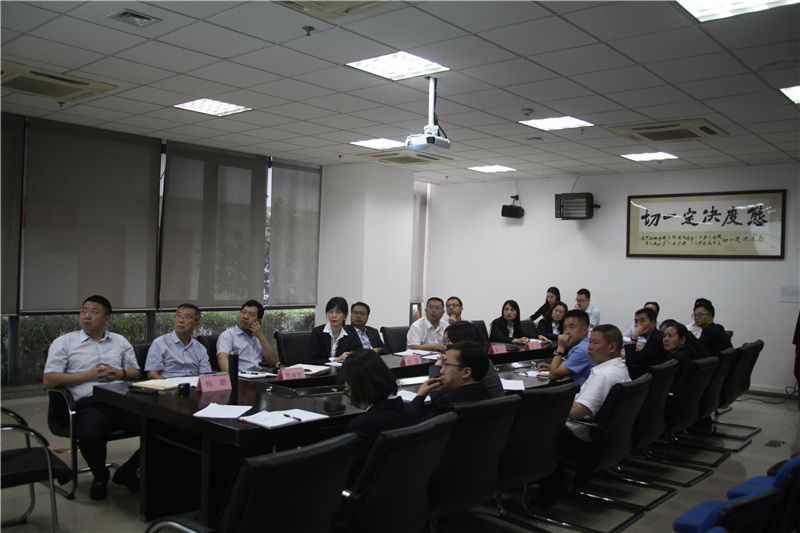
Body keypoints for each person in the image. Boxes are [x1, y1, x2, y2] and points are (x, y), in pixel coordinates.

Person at [43, 295, 141, 500]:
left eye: (93, 312)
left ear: (107, 319)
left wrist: (119, 374)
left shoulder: (119, 341)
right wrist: (87, 376)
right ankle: (100, 476)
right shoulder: (64, 342)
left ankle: (128, 470)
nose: (86, 316)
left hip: (122, 401)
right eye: (83, 311)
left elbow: (135, 373)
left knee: (162, 427)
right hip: (90, 404)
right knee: (90, 434)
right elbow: (49, 380)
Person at [530, 325, 630, 509]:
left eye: (595, 343)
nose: (589, 347)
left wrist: (548, 407)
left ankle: (543, 483)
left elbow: (576, 412)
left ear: (612, 347)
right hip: (606, 441)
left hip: (578, 439)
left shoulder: (604, 376)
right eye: (589, 342)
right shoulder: (620, 369)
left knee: (527, 427)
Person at [339, 349, 418, 481]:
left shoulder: (362, 425)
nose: (350, 394)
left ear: (362, 388)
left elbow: (348, 476)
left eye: (349, 389)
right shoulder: (410, 410)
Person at [412, 340, 491, 421]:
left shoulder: (446, 402)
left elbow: (419, 426)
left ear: (466, 372)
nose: (441, 371)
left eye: (446, 364)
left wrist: (420, 397)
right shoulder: (486, 393)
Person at [428, 321, 504, 399]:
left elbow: (435, 394)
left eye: (449, 341)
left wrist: (437, 365)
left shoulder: (468, 363)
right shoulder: (480, 358)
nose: (445, 347)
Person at [145, 303, 211, 379]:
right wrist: (169, 384)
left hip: (194, 384)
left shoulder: (200, 348)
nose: (180, 321)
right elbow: (152, 374)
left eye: (186, 317)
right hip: (169, 383)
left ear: (196, 324)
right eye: (178, 316)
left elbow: (206, 375)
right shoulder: (160, 343)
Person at [537, 309, 596, 385]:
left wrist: (560, 348)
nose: (567, 332)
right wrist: (553, 367)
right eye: (565, 327)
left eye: (571, 327)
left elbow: (553, 375)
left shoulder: (582, 350)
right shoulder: (586, 344)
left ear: (585, 330)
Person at [217, 300, 278, 372]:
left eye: (251, 314)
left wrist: (261, 337)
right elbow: (222, 360)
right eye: (243, 312)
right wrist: (234, 376)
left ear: (258, 321)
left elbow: (272, 362)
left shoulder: (258, 337)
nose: (245, 317)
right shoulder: (228, 335)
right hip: (240, 375)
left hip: (259, 374)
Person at [308, 296, 363, 365]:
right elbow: (312, 360)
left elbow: (358, 358)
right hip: (321, 371)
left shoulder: (350, 336)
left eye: (338, 312)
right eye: (330, 312)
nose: (334, 315)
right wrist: (336, 359)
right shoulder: (317, 332)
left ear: (345, 315)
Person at [625, 307, 668, 376]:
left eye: (642, 321)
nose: (638, 325)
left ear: (653, 324)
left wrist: (634, 337)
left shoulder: (655, 340)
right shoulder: (657, 335)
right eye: (636, 322)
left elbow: (631, 362)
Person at [662, 322, 700, 393]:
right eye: (664, 336)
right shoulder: (688, 353)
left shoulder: (674, 358)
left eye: (670, 336)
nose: (665, 339)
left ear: (682, 340)